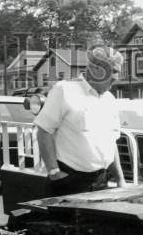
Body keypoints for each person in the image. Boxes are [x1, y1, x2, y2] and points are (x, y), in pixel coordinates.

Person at [34, 45, 127, 195]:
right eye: (113, 72)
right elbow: (44, 131)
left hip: (101, 183)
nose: (116, 79)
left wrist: (120, 179)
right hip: (69, 182)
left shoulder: (109, 100)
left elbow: (111, 143)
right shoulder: (64, 90)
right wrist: (54, 172)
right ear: (96, 69)